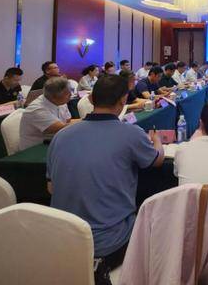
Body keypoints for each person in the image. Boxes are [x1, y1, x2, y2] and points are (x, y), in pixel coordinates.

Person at [46, 74, 164, 284]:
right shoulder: (131, 133)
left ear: (91, 99)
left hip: (62, 240)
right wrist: (157, 141)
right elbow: (156, 160)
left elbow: (51, 188)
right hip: (110, 244)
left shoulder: (61, 136)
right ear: (123, 100)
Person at [19, 77, 73, 150]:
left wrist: (85, 120)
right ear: (54, 97)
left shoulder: (60, 101)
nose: (71, 95)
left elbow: (68, 121)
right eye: (67, 93)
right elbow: (61, 128)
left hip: (54, 142)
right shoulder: (36, 109)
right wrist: (86, 121)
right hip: (35, 149)